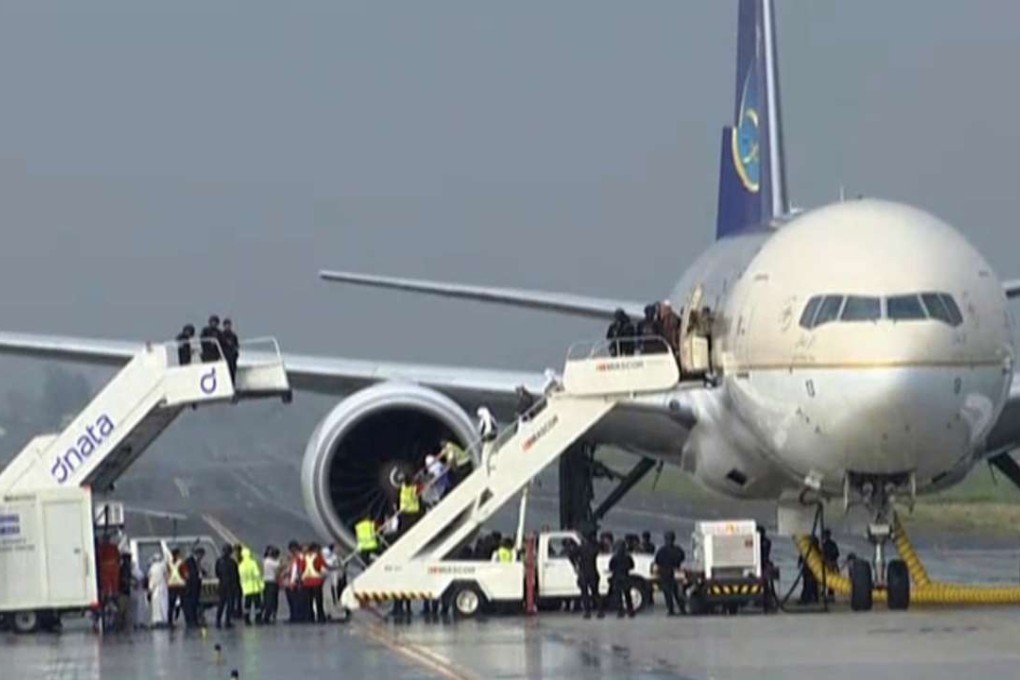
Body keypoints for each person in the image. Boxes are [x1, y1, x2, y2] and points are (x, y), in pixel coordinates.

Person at [570, 532, 603, 619]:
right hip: (593, 572)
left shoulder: (581, 548)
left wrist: (575, 564)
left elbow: (570, 555)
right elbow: (601, 549)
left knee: (585, 594)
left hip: (583, 573)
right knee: (595, 593)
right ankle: (600, 611)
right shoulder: (594, 548)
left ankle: (587, 612)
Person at [654, 531, 686, 616]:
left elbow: (657, 561)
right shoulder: (678, 550)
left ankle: (671, 610)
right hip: (675, 572)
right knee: (677, 593)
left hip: (665, 574)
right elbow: (682, 557)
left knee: (668, 593)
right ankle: (682, 609)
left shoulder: (662, 551)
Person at [608, 541, 636, 618]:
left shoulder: (614, 557)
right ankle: (630, 610)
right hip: (626, 576)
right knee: (627, 595)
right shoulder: (628, 557)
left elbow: (611, 567)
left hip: (617, 577)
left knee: (618, 596)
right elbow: (632, 566)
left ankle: (620, 611)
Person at [215, 544, 240, 628]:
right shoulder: (232, 563)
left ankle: (218, 621)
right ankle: (227, 621)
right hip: (230, 586)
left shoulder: (219, 561)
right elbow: (236, 576)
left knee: (221, 604)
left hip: (222, 585)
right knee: (230, 604)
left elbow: (217, 573)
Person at [302, 543, 327, 624]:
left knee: (308, 601)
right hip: (316, 581)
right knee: (319, 601)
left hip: (306, 581)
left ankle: (309, 617)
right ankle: (320, 617)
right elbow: (323, 568)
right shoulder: (318, 557)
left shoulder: (304, 557)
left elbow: (301, 568)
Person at [238, 546, 263, 625]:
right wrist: (260, 583)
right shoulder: (252, 563)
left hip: (246, 587)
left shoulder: (240, 565)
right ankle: (258, 618)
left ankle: (247, 619)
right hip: (254, 586)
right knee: (257, 604)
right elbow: (257, 574)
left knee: (247, 604)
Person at [182, 547, 205, 629]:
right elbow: (189, 573)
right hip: (191, 586)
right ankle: (191, 621)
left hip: (196, 586)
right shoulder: (190, 561)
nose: (202, 558)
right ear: (198, 554)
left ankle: (194, 620)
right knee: (190, 604)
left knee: (195, 603)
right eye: (201, 555)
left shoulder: (197, 562)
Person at [147, 553, 169, 629]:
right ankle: (164, 620)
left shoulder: (152, 568)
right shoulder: (163, 567)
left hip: (156, 589)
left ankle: (157, 620)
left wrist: (150, 590)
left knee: (156, 606)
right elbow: (167, 577)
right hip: (163, 588)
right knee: (164, 604)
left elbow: (152, 580)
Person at [166, 548, 187, 627]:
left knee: (171, 605)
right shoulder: (181, 563)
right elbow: (185, 574)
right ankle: (186, 620)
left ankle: (170, 621)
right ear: (178, 554)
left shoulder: (169, 563)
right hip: (180, 585)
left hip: (171, 585)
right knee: (184, 604)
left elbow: (167, 573)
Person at [260, 546, 281, 624]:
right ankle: (268, 616)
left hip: (266, 582)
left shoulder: (266, 561)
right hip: (272, 582)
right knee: (272, 600)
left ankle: (261, 614)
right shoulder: (274, 563)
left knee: (266, 599)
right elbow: (278, 570)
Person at [130, 557, 149, 630]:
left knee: (139, 608)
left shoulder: (136, 572)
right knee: (137, 608)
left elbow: (142, 580)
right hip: (136, 592)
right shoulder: (136, 572)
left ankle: (139, 622)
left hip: (138, 592)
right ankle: (137, 622)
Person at [821, 529, 840, 601]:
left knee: (826, 580)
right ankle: (830, 595)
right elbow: (837, 554)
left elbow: (836, 554)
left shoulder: (825, 545)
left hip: (829, 563)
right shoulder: (831, 544)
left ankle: (828, 595)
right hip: (831, 563)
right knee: (829, 580)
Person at [220, 318, 240, 383]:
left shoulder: (233, 335)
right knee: (226, 370)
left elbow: (236, 345)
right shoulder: (221, 335)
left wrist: (235, 350)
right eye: (226, 325)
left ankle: (233, 384)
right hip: (225, 355)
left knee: (233, 371)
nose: (227, 326)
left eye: (228, 325)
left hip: (232, 356)